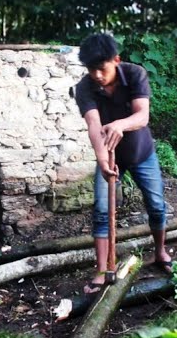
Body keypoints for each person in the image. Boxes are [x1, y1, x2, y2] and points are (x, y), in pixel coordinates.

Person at [73, 32, 171, 295]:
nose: (96, 75)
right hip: (109, 155)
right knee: (102, 211)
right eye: (91, 69)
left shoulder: (135, 74)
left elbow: (142, 115)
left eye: (101, 68)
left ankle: (160, 252)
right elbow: (94, 126)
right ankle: (102, 270)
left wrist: (119, 124)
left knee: (156, 205)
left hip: (141, 153)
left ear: (116, 60)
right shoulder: (84, 88)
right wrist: (103, 161)